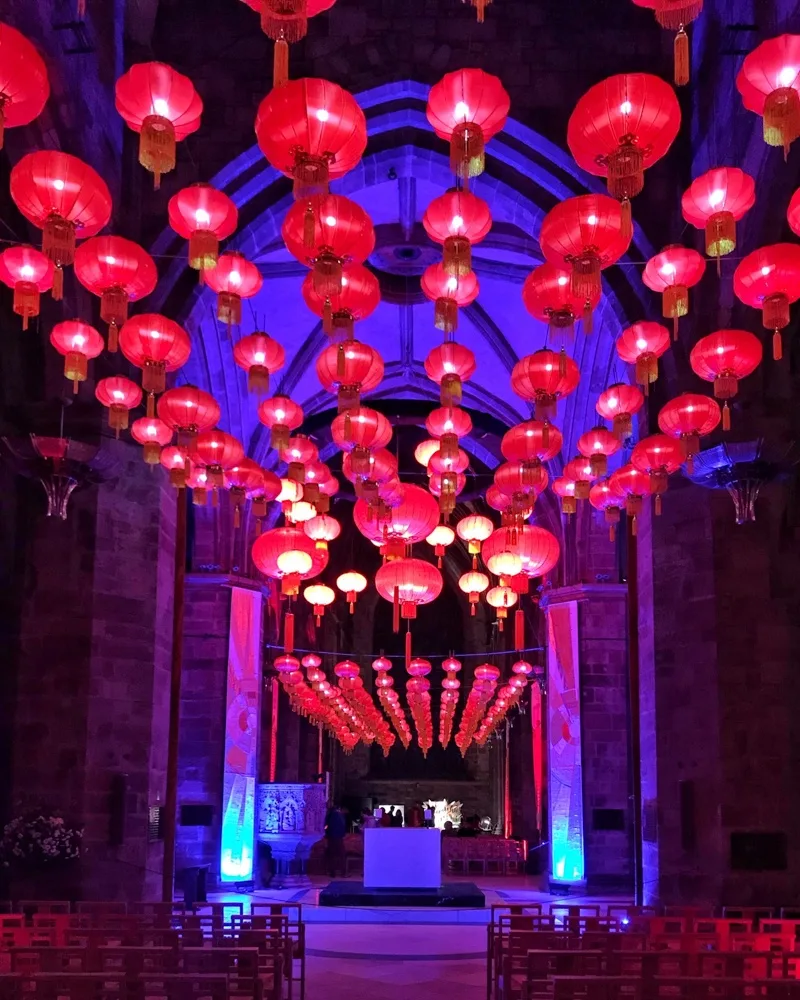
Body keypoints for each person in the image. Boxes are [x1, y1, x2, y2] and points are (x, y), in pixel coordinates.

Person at [324, 802, 347, 878]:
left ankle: (332, 873)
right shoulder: (341, 816)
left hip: (331, 838)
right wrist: (342, 834)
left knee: (332, 855)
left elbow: (326, 826)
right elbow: (343, 826)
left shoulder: (329, 816)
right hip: (339, 838)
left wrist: (326, 833)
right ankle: (343, 872)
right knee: (342, 856)